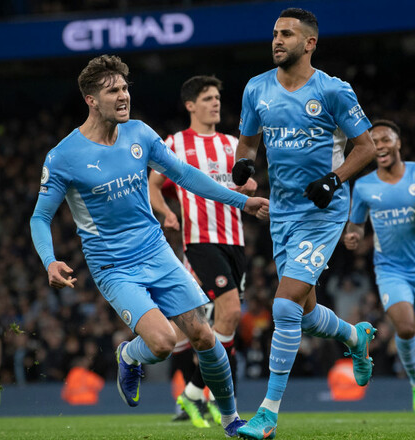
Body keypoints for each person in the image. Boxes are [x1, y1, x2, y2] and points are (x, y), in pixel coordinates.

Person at [30, 55, 268, 437]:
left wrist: (242, 201)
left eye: (125, 88)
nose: (123, 96)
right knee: (162, 342)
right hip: (114, 266)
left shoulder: (139, 133)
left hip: (157, 251)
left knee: (205, 336)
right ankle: (128, 354)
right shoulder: (63, 157)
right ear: (91, 100)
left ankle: (231, 421)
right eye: (113, 91)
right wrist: (49, 261)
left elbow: (185, 175)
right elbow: (40, 217)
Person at [231, 8, 377, 439]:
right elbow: (247, 142)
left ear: (310, 43)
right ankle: (355, 338)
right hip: (282, 213)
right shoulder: (256, 88)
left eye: (287, 34)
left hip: (323, 213)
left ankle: (267, 414)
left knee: (283, 305)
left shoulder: (333, 90)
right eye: (275, 34)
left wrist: (334, 180)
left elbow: (366, 147)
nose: (277, 40)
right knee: (306, 314)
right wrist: (244, 165)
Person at [148, 75, 258, 428]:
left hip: (235, 242)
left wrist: (248, 185)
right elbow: (152, 186)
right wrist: (165, 212)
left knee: (222, 323)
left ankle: (197, 395)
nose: (216, 103)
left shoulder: (232, 144)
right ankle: (199, 396)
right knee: (223, 314)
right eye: (208, 98)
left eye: (217, 97)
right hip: (199, 242)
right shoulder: (175, 144)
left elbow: (246, 182)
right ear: (191, 105)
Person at [343, 119, 415, 425]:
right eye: (374, 141)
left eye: (385, 139)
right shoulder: (365, 185)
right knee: (406, 329)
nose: (380, 146)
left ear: (398, 143)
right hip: (390, 269)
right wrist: (353, 235)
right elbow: (356, 223)